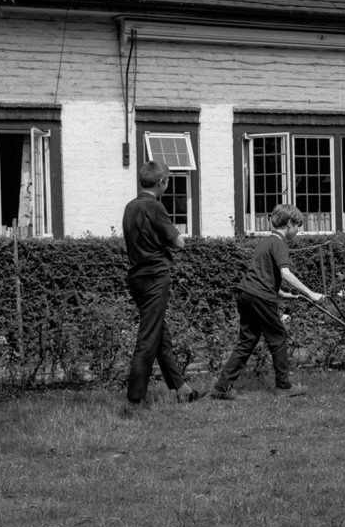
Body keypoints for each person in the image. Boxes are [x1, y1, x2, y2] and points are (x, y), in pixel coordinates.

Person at [211, 204, 325, 400]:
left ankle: (222, 387)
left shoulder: (265, 241)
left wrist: (282, 293)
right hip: (260, 297)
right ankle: (283, 386)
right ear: (289, 223)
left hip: (246, 294)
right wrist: (311, 292)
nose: (299, 231)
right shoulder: (280, 243)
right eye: (298, 225)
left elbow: (261, 275)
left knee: (247, 341)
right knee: (278, 337)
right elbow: (285, 273)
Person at [122, 160, 201, 413]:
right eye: (168, 181)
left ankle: (182, 389)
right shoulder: (155, 208)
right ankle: (135, 401)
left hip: (136, 277)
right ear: (162, 182)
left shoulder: (129, 207)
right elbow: (179, 243)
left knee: (159, 335)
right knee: (148, 337)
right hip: (156, 276)